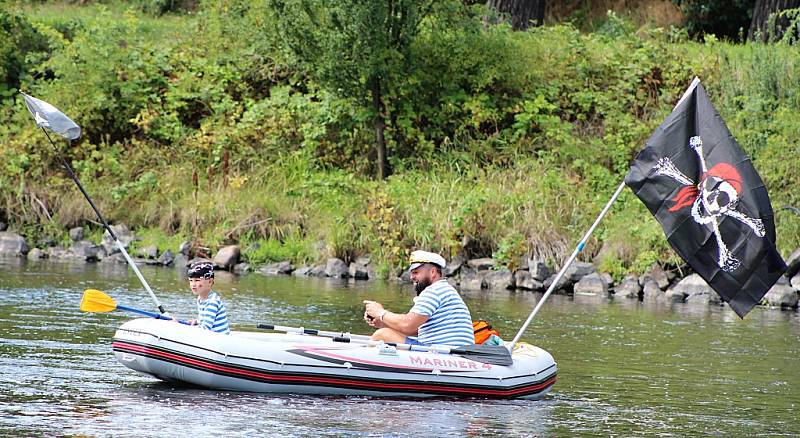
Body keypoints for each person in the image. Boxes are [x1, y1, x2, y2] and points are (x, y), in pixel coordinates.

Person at [363, 250, 474, 347]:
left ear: (433, 272)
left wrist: (380, 313)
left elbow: (408, 325)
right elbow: (416, 329)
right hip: (452, 351)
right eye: (411, 273)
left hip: (445, 354)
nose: (412, 277)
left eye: (416, 272)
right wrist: (383, 322)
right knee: (384, 331)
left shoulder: (434, 291)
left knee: (382, 334)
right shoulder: (444, 289)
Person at [181, 261, 230, 334]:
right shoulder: (200, 298)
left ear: (210, 281)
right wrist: (197, 321)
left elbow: (205, 328)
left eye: (197, 280)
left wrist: (184, 328)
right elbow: (206, 318)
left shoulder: (212, 302)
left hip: (218, 339)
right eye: (191, 281)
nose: (193, 284)